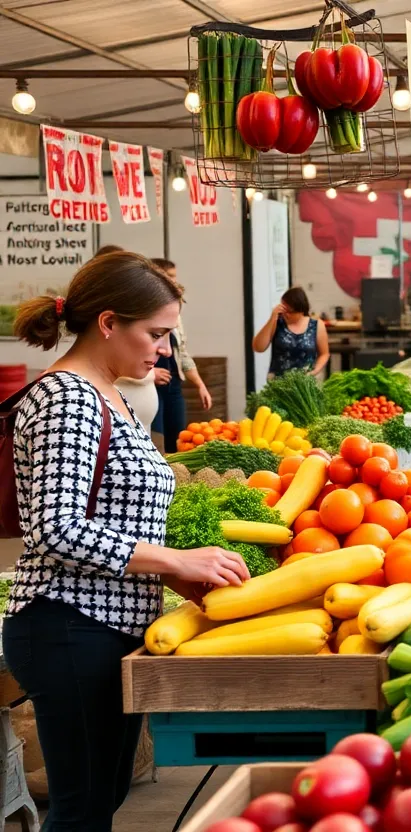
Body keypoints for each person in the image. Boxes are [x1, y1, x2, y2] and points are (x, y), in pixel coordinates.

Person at [8, 251, 250, 829]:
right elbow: (56, 527)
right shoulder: (68, 398)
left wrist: (174, 575)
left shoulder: (109, 392)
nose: (164, 348)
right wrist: (177, 557)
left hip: (102, 626)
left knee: (103, 794)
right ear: (109, 323)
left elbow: (111, 522)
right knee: (82, 808)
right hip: (69, 626)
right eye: (156, 333)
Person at [147, 258, 212, 453]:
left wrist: (200, 385)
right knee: (155, 440)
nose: (173, 282)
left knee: (178, 440)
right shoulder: (143, 312)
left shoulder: (176, 314)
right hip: (150, 387)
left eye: (175, 277)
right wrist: (150, 374)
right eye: (170, 277)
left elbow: (182, 353)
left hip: (174, 386)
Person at [252, 287, 330, 380]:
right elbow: (258, 347)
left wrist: (314, 371)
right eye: (284, 310)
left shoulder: (316, 325)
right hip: (279, 382)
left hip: (307, 382)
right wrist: (272, 318)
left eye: (290, 312)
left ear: (301, 310)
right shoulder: (277, 322)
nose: (286, 314)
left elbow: (324, 354)